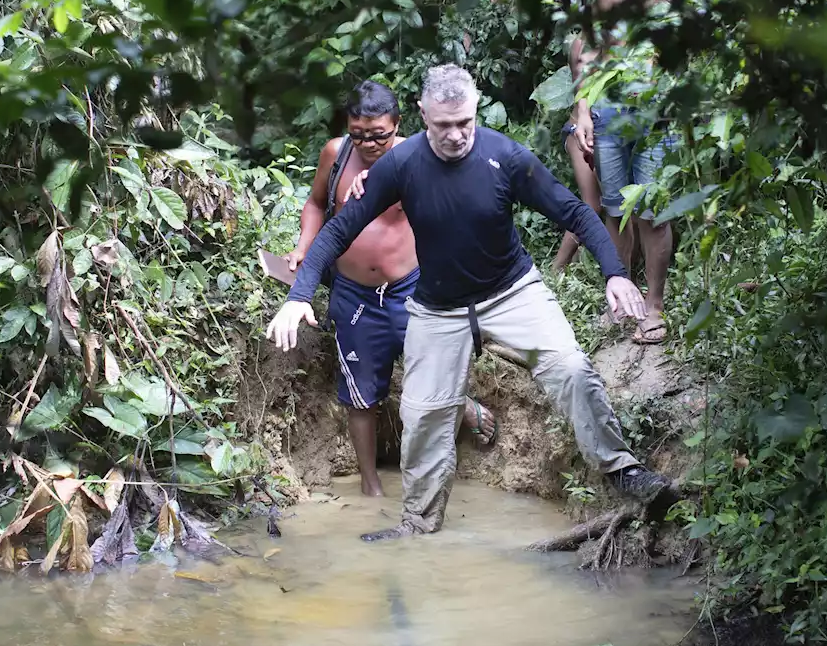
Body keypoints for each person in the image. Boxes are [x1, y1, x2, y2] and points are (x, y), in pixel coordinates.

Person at [268, 64, 670, 542]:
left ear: (475, 113)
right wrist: (298, 296)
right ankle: (417, 526)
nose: (457, 135)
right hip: (437, 308)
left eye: (466, 123)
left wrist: (616, 274)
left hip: (512, 293)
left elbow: (575, 212)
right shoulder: (401, 165)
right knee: (421, 417)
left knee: (571, 369)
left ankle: (623, 472)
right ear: (422, 116)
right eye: (444, 126)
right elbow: (338, 228)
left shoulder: (506, 156)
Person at [286, 80, 496, 498]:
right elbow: (315, 203)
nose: (367, 143)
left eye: (378, 135)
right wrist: (303, 244)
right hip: (353, 292)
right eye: (358, 134)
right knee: (359, 394)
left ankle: (462, 406)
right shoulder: (336, 153)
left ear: (397, 125)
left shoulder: (420, 155)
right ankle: (370, 488)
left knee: (435, 372)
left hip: (412, 286)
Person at [569, 0, 677, 344]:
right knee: (616, 213)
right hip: (607, 124)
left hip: (654, 125)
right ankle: (621, 296)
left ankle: (654, 305)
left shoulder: (658, 21)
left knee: (653, 216)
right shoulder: (587, 37)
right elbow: (582, 82)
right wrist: (583, 117)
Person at [552, 33, 605, 273]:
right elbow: (583, 91)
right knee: (592, 205)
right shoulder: (583, 44)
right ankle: (557, 268)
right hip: (579, 130)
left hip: (609, 133)